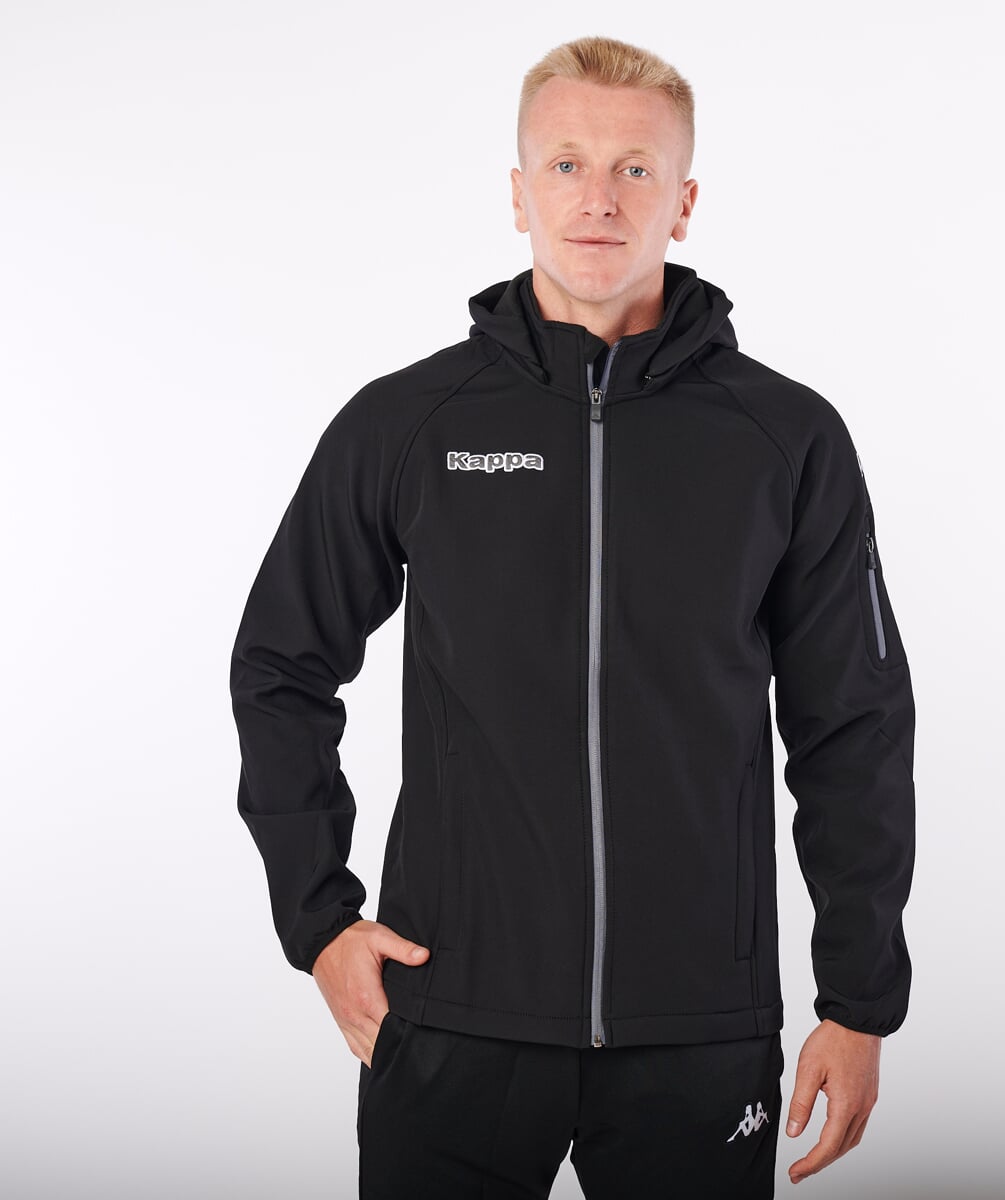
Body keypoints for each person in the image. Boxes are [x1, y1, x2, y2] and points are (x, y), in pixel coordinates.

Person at [230, 34, 916, 1199]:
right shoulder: (409, 423)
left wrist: (859, 1002)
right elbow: (279, 666)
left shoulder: (785, 440)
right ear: (519, 193)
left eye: (635, 169)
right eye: (566, 165)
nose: (598, 197)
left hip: (697, 1031)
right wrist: (320, 921)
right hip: (451, 1011)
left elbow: (853, 722)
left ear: (683, 201)